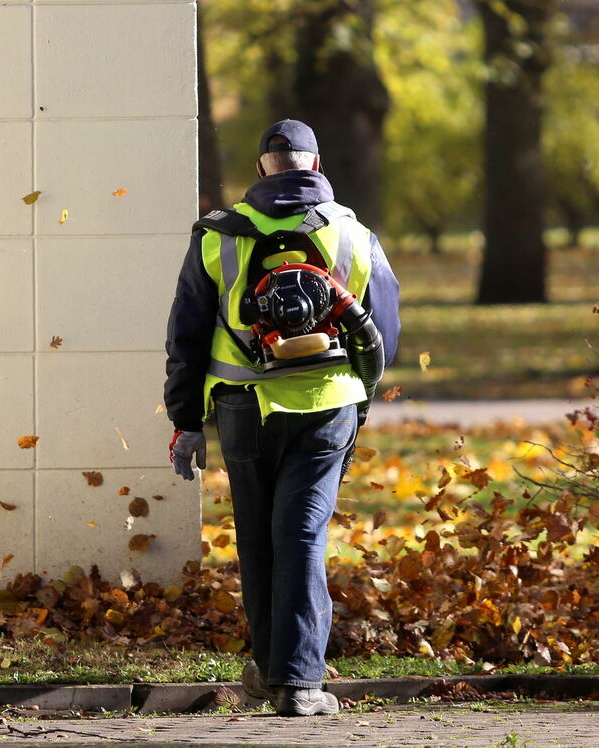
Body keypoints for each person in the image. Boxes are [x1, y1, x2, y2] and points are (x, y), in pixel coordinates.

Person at [163, 119, 400, 716]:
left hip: (243, 409)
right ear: (315, 165)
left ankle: (274, 674)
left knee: (260, 539)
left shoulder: (218, 236)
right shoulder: (352, 232)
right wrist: (359, 387)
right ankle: (298, 684)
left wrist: (186, 420)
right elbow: (385, 331)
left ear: (262, 168)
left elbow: (186, 335)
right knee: (302, 535)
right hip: (327, 406)